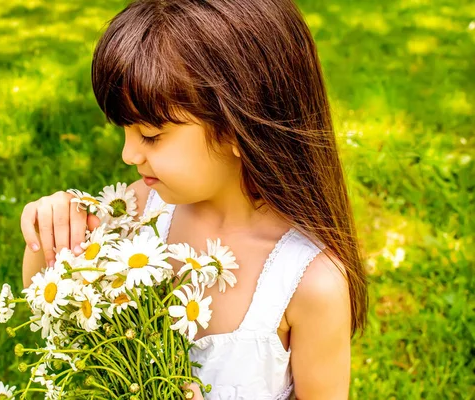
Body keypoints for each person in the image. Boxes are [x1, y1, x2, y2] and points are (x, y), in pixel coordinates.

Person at [20, 0, 368, 398]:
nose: (128, 155)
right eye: (125, 131)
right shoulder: (138, 211)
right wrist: (49, 230)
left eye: (150, 135)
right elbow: (47, 301)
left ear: (238, 130)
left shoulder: (309, 283)